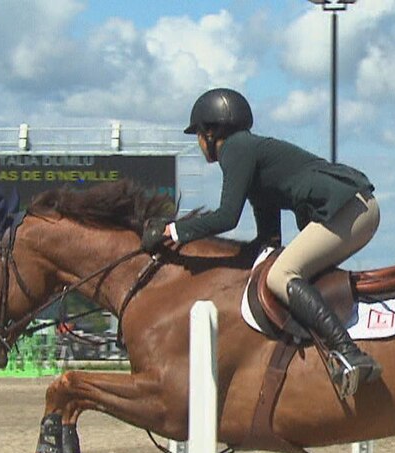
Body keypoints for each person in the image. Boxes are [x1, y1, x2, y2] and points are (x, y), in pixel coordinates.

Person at [142, 87, 382, 397]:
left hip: (350, 209)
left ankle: (349, 354)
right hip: (352, 208)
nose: (200, 143)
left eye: (199, 134)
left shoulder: (236, 149)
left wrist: (172, 232)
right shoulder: (251, 156)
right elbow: (268, 239)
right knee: (279, 268)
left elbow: (227, 216)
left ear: (213, 131)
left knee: (281, 275)